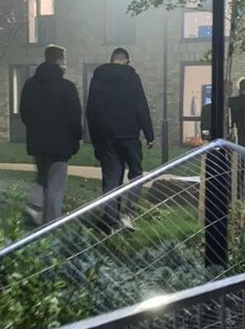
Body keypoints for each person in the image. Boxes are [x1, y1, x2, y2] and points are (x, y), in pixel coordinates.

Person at [87, 48, 154, 231]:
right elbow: (141, 105)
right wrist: (149, 134)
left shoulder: (97, 79)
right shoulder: (132, 78)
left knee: (111, 178)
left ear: (111, 60)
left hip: (106, 138)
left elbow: (91, 111)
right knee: (136, 174)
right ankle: (128, 214)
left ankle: (110, 220)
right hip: (130, 135)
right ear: (126, 60)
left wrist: (96, 140)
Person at [19, 45, 82, 223]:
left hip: (38, 141)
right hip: (62, 144)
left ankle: (35, 205)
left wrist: (34, 129)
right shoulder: (67, 87)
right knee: (55, 185)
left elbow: (24, 112)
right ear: (60, 60)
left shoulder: (30, 85)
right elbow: (74, 115)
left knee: (42, 175)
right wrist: (76, 138)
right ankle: (51, 223)